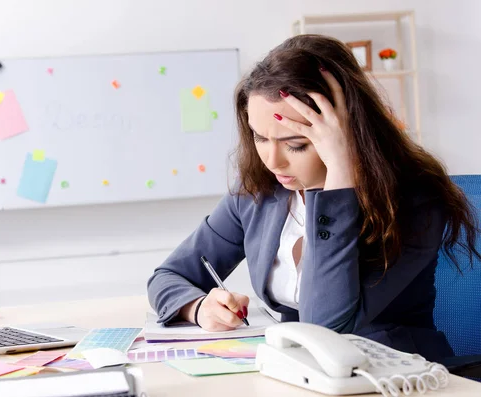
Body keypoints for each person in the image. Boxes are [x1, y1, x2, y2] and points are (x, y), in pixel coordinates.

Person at [147, 34, 480, 362]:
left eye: (296, 144)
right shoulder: (258, 193)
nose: (273, 161)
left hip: (393, 374)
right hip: (299, 372)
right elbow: (168, 277)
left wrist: (338, 179)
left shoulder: (414, 201)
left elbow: (327, 324)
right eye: (260, 137)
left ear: (348, 132)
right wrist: (199, 307)